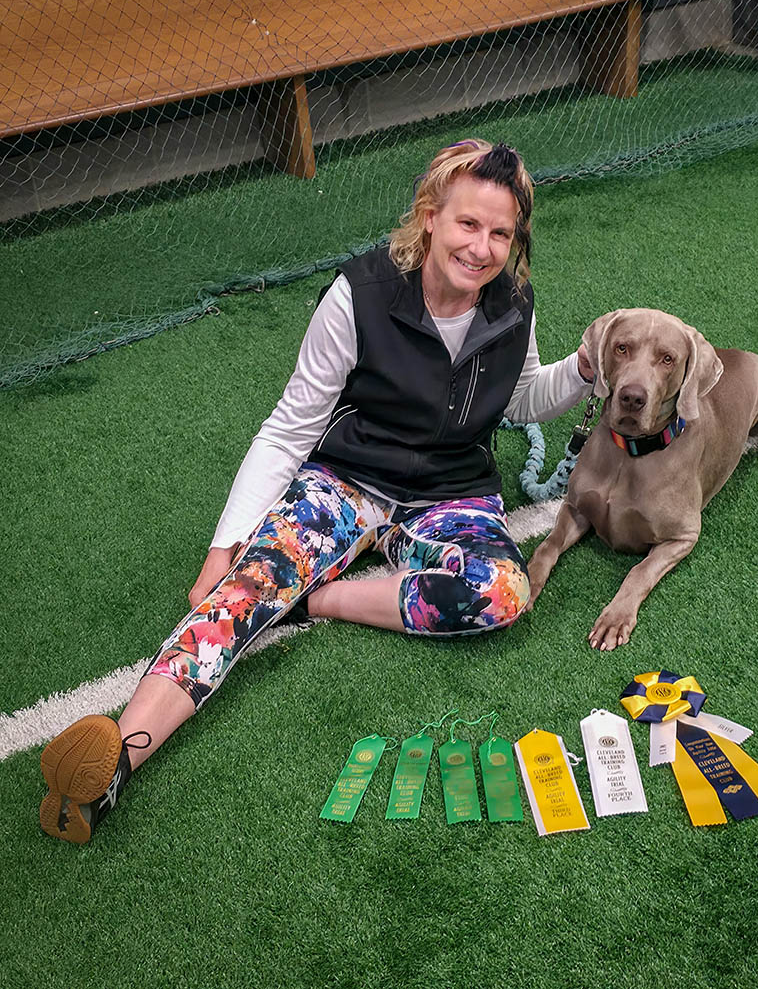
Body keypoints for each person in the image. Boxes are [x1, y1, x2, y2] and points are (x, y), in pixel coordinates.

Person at [39, 139, 594, 843]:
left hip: (451, 492)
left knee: (503, 593)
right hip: (346, 481)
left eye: (500, 233)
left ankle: (315, 597)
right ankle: (115, 764)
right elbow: (287, 430)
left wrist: (583, 368)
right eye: (467, 223)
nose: (481, 248)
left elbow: (519, 400)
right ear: (430, 216)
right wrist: (224, 549)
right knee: (241, 594)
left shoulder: (513, 303)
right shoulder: (359, 293)